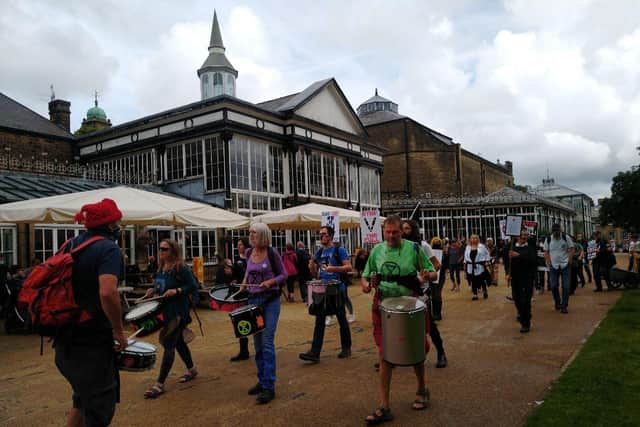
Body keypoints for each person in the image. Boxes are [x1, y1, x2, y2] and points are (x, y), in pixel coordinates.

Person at [55, 198, 126, 427]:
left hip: (65, 342)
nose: (119, 225)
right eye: (117, 221)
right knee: (99, 412)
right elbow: (107, 292)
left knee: (81, 401)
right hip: (92, 344)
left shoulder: (69, 245)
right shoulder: (108, 249)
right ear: (109, 224)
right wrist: (118, 330)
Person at [361, 215, 436, 424]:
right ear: (383, 231)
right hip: (383, 307)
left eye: (395, 232)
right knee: (384, 353)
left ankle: (422, 388)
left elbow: (433, 272)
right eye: (388, 232)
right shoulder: (376, 250)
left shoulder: (414, 249)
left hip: (409, 305)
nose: (391, 236)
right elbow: (365, 275)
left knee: (415, 349)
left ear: (401, 232)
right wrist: (365, 284)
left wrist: (427, 275)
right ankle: (384, 406)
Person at [143, 239, 199, 398]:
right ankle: (192, 370)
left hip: (178, 313)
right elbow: (160, 287)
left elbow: (193, 285)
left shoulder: (181, 268)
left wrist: (178, 290)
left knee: (169, 344)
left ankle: (159, 384)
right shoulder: (161, 268)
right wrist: (152, 290)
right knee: (179, 343)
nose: (161, 251)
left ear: (173, 251)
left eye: (164, 249)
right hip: (165, 312)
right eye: (159, 248)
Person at [240, 223, 287, 404]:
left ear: (262, 235)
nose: (250, 235)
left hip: (270, 301)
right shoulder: (249, 253)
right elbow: (248, 273)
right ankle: (262, 380)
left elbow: (284, 275)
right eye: (250, 232)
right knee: (257, 344)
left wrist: (270, 282)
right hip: (253, 301)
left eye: (254, 233)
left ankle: (269, 387)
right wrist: (243, 284)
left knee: (267, 342)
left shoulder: (272, 252)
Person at [299, 226, 352, 363]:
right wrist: (311, 264)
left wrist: (332, 268)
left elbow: (349, 267)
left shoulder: (338, 249)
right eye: (320, 234)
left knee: (341, 318)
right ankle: (314, 352)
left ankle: (346, 348)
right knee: (319, 319)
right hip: (322, 289)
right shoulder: (319, 251)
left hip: (337, 288)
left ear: (331, 236)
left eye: (325, 235)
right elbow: (314, 272)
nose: (322, 237)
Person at [400, 221, 447, 367]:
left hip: (421, 291)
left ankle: (441, 352)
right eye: (402, 229)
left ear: (413, 230)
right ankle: (396, 355)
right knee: (400, 323)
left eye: (407, 228)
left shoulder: (423, 246)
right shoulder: (399, 247)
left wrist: (426, 274)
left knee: (428, 324)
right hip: (403, 291)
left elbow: (437, 265)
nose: (404, 231)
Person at [506, 229, 537, 333]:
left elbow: (532, 260)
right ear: (516, 236)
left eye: (525, 235)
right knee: (517, 299)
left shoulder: (530, 248)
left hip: (527, 278)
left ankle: (525, 324)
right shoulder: (512, 248)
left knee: (525, 301)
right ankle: (523, 314)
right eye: (522, 235)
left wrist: (518, 255)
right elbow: (507, 262)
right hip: (515, 278)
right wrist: (507, 273)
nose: (524, 237)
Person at [544, 224, 575, 313]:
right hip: (554, 266)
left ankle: (564, 305)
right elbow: (546, 251)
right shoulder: (549, 239)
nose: (556, 233)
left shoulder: (566, 237)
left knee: (566, 286)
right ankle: (557, 302)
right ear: (552, 231)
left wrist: (569, 260)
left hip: (565, 265)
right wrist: (549, 262)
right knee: (553, 285)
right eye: (554, 231)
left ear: (560, 231)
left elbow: (572, 248)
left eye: (558, 231)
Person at [230, 237, 251, 362]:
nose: (238, 246)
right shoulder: (236, 259)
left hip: (250, 292)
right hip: (239, 293)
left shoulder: (251, 258)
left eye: (240, 244)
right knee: (240, 320)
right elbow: (234, 276)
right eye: (237, 244)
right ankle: (244, 350)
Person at [464, 234, 491, 300]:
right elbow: (465, 257)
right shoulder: (467, 247)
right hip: (470, 266)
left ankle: (485, 291)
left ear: (478, 239)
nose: (473, 239)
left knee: (482, 280)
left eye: (475, 238)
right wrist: (465, 266)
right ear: (470, 239)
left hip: (480, 265)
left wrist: (487, 261)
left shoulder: (481, 246)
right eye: (472, 238)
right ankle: (475, 294)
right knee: (473, 280)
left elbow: (487, 253)